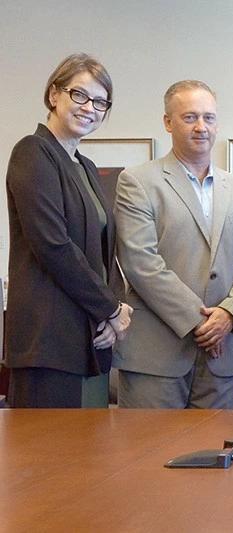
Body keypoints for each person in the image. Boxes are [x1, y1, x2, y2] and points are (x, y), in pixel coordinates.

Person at [113, 80, 233, 409]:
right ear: (168, 122)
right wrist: (202, 321)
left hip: (223, 358)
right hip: (157, 358)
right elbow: (141, 263)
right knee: (150, 456)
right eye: (189, 117)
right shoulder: (137, 181)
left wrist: (229, 315)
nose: (201, 127)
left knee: (215, 455)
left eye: (208, 117)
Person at [5, 53, 132, 408]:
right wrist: (110, 309)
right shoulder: (32, 152)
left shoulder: (86, 166)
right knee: (54, 460)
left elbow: (104, 251)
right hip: (49, 343)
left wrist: (116, 307)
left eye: (100, 102)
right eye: (80, 95)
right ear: (54, 95)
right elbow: (54, 246)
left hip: (90, 339)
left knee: (91, 457)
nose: (89, 107)